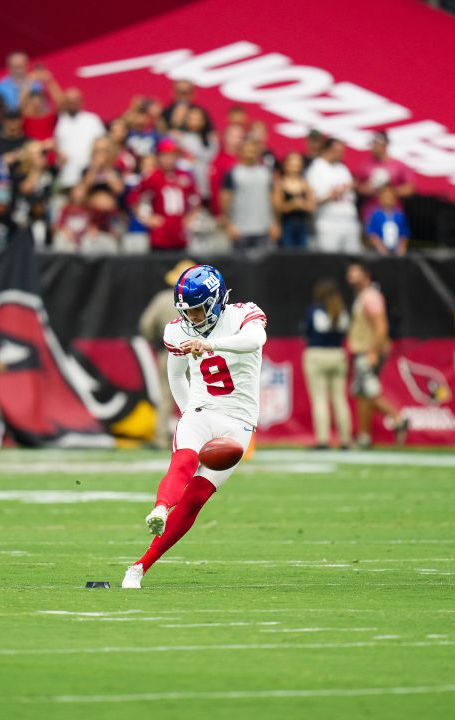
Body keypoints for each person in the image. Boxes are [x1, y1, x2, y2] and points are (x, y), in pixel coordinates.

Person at [123, 265, 268, 589]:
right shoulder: (177, 331)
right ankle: (159, 509)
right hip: (203, 408)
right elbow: (176, 376)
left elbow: (255, 340)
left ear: (217, 301)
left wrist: (213, 346)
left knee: (196, 498)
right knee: (183, 460)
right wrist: (190, 412)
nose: (193, 318)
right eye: (187, 311)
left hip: (239, 420)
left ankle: (140, 565)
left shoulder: (245, 315)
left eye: (199, 309)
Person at [346, 261, 407, 447]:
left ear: (366, 274)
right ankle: (364, 437)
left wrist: (374, 351)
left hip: (368, 350)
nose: (351, 276)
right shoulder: (362, 296)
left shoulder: (370, 296)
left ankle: (398, 419)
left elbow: (381, 325)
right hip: (363, 350)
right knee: (362, 393)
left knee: (370, 391)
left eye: (355, 272)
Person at [139, 259, 198, 447]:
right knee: (198, 396)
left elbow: (146, 324)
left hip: (170, 353)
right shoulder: (202, 301)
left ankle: (161, 437)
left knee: (166, 396)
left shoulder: (163, 299)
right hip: (198, 354)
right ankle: (197, 437)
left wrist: (155, 341)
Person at [303, 278, 353, 449]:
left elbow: (307, 330)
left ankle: (323, 440)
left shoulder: (314, 310)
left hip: (317, 354)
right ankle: (345, 440)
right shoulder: (341, 310)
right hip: (338, 354)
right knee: (340, 399)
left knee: (320, 400)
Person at [133, 137, 200, 251]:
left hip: (181, 235)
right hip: (160, 236)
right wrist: (148, 218)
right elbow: (134, 199)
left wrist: (191, 217)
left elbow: (195, 199)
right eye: (165, 155)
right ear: (159, 157)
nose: (169, 159)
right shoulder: (152, 177)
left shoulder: (184, 176)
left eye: (172, 155)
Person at [218, 139, 277, 251]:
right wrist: (229, 225)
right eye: (246, 150)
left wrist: (275, 223)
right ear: (240, 152)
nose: (250, 153)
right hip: (240, 230)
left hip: (264, 230)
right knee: (240, 267)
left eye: (253, 150)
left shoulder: (266, 173)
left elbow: (272, 199)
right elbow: (225, 199)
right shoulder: (233, 173)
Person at [306, 139, 361, 253]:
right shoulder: (316, 169)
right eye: (338, 151)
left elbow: (350, 194)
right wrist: (334, 193)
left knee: (353, 260)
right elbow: (314, 201)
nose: (341, 154)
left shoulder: (342, 168)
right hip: (328, 222)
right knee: (330, 262)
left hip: (349, 220)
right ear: (328, 150)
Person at [52, 87, 105, 188]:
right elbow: (54, 144)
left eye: (75, 100)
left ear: (81, 101)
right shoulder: (59, 121)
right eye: (69, 101)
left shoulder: (92, 120)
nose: (72, 104)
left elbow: (102, 144)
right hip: (66, 177)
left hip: (90, 177)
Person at [355, 130, 415, 219]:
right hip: (370, 212)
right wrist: (367, 189)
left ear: (385, 145)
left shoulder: (398, 165)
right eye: (372, 144)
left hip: (393, 213)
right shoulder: (365, 165)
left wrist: (389, 191)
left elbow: (410, 188)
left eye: (376, 144)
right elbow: (357, 186)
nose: (373, 147)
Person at [273, 152, 314, 249]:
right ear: (285, 165)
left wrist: (302, 204)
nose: (294, 166)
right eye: (292, 163)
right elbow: (277, 207)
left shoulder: (305, 184)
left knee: (302, 256)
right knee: (287, 256)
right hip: (286, 225)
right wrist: (292, 205)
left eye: (297, 163)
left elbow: (311, 206)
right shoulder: (280, 184)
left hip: (302, 225)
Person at [365, 185, 410, 256]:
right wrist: (380, 246)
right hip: (379, 251)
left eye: (390, 198)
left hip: (395, 251)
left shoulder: (400, 216)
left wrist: (401, 247)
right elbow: (372, 233)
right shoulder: (376, 215)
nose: (388, 200)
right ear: (380, 199)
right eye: (386, 197)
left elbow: (404, 233)